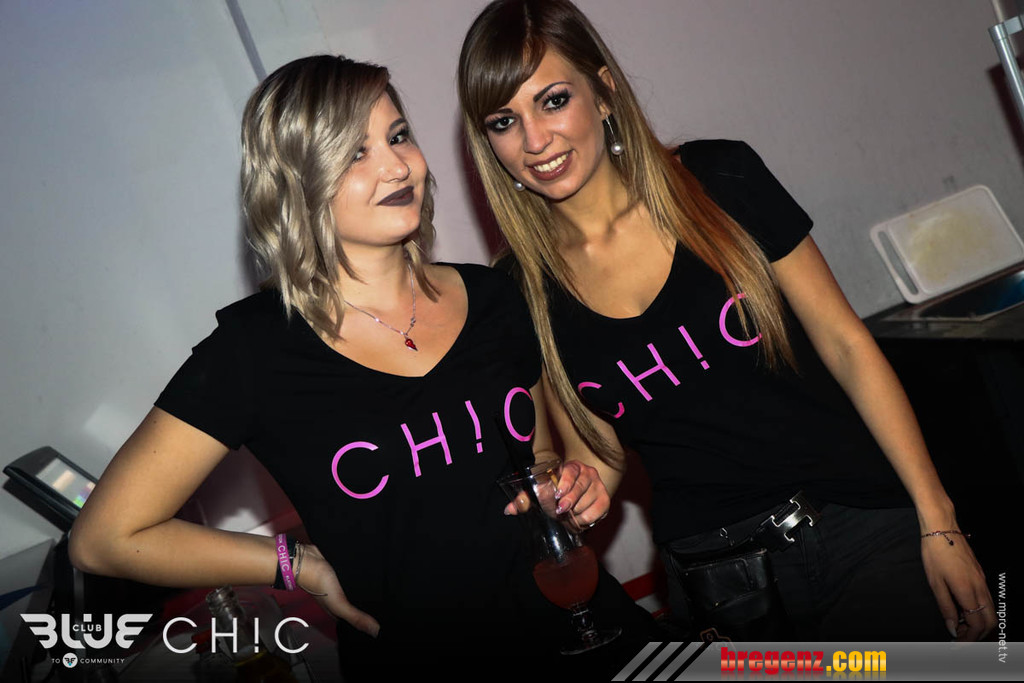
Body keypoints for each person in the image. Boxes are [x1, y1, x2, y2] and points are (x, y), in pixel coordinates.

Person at [69, 55, 654, 679]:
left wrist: (564, 485)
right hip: (424, 661)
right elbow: (105, 538)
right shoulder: (257, 350)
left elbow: (535, 459)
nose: (397, 166)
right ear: (298, 182)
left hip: (582, 632)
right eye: (354, 153)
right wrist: (297, 566)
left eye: (398, 136)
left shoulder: (494, 297)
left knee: (732, 670)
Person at [457, 0, 995, 641]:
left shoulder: (719, 179)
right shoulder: (523, 289)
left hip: (857, 527)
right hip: (720, 584)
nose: (534, 140)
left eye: (552, 101)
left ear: (602, 93)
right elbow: (597, 452)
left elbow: (847, 345)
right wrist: (576, 492)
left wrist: (939, 520)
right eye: (503, 121)